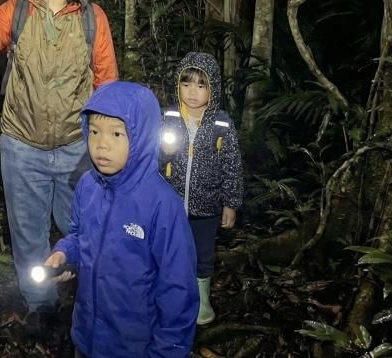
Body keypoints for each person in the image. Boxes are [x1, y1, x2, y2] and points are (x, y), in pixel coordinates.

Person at [0, 0, 118, 326]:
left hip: (75, 147)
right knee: (28, 234)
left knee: (81, 229)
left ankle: (90, 296)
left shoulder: (92, 19)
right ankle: (40, 304)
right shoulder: (16, 12)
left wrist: (107, 143)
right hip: (21, 147)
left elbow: (108, 84)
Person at [44, 81, 199, 358]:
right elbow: (81, 237)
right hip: (87, 336)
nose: (101, 144)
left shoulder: (162, 205)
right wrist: (66, 253)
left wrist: (167, 352)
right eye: (93, 131)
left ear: (141, 137)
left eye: (117, 134)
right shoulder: (87, 187)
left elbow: (178, 289)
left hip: (135, 347)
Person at [160, 51, 243, 325]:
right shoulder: (168, 117)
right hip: (171, 204)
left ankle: (202, 298)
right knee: (169, 250)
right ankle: (169, 296)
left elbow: (232, 166)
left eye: (200, 85)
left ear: (213, 88)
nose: (192, 92)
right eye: (186, 84)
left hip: (206, 206)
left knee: (202, 253)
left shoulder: (221, 125)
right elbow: (155, 158)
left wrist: (230, 203)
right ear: (177, 86)